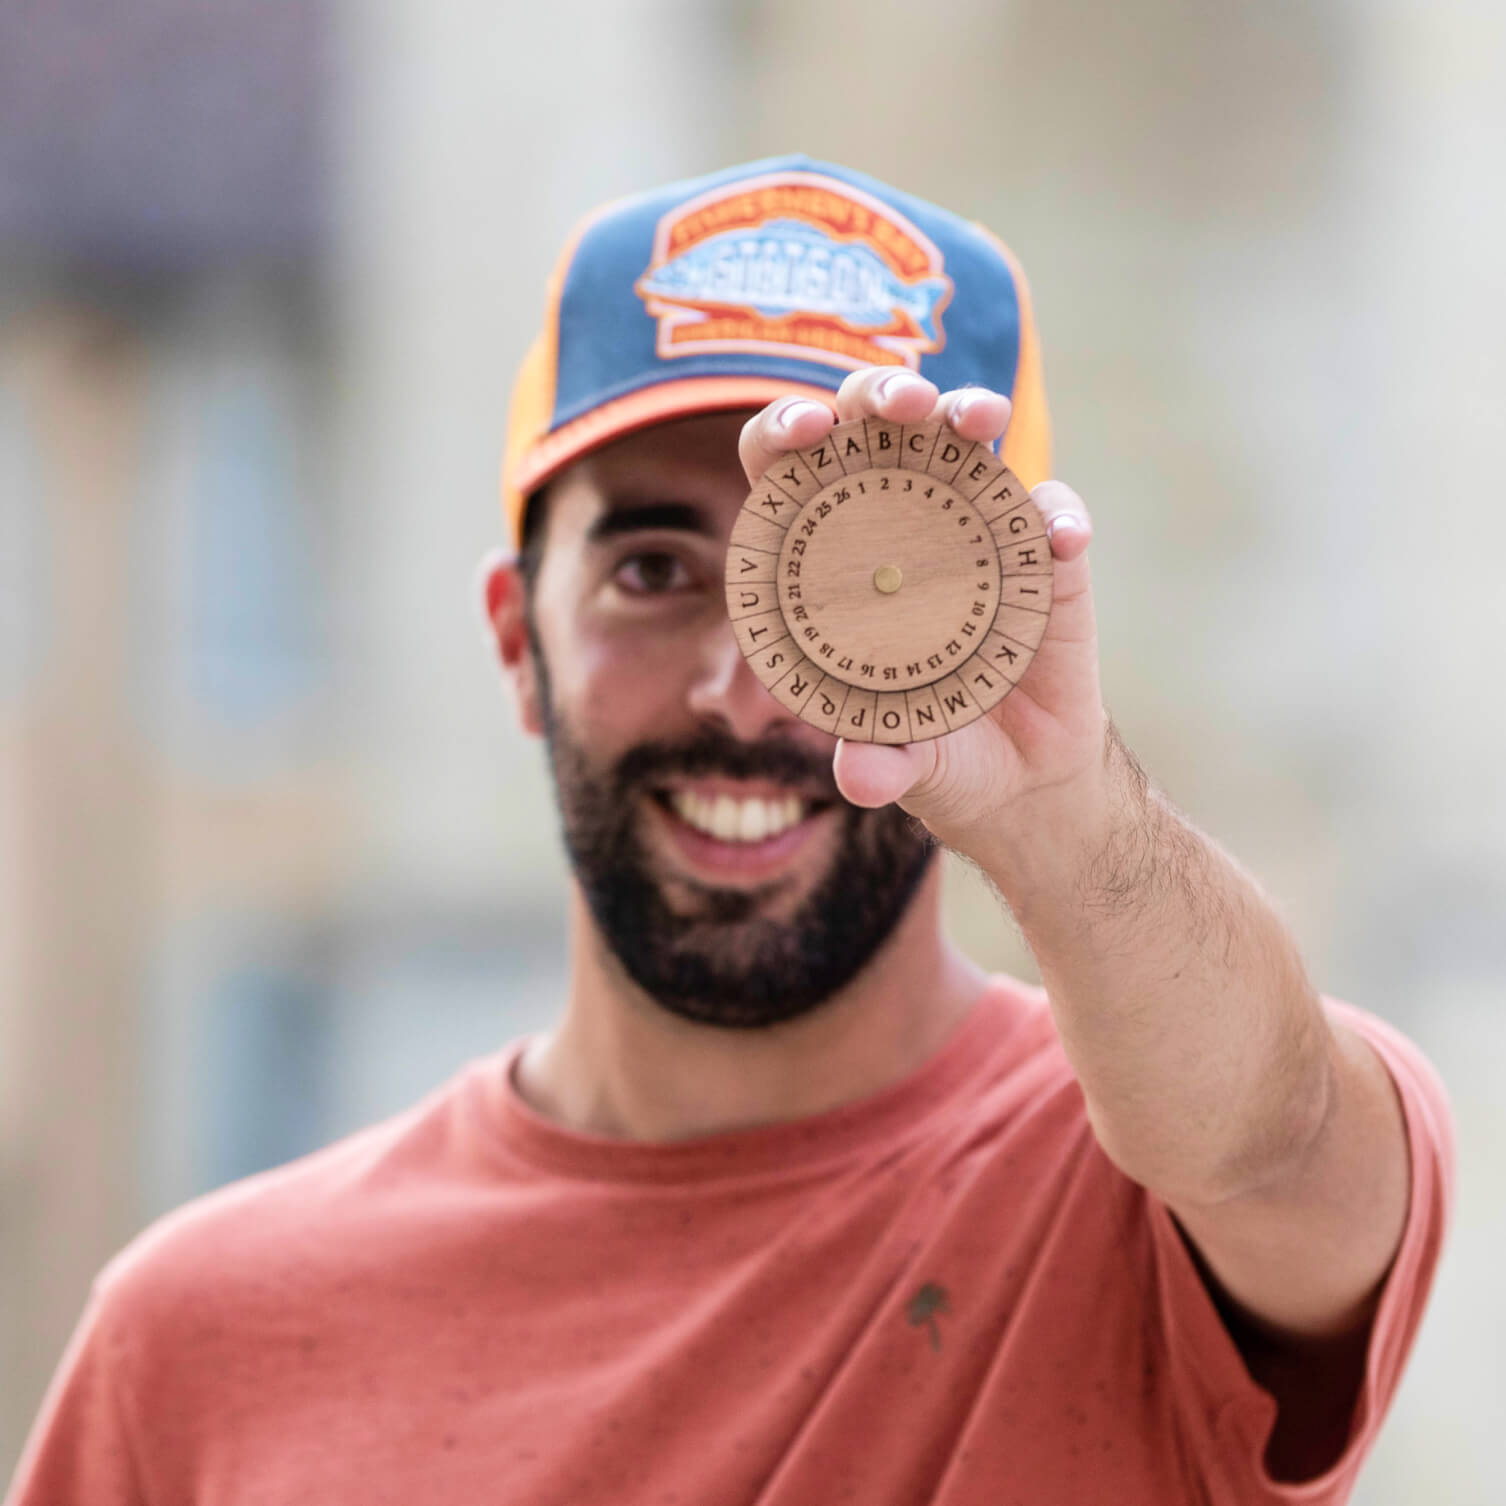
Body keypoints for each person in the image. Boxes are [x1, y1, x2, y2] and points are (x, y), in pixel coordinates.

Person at [8, 155, 1452, 1506]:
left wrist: (1063, 811)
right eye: (652, 567)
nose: (739, 687)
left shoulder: (1146, 1199)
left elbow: (1279, 1143)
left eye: (842, 583)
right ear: (519, 640)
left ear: (998, 620)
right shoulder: (198, 1338)